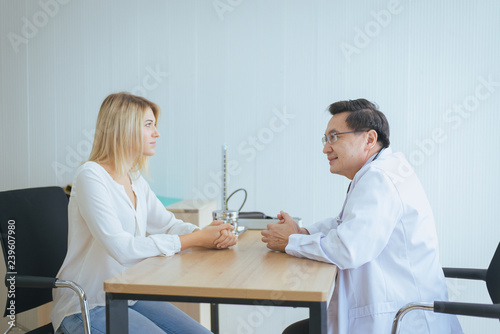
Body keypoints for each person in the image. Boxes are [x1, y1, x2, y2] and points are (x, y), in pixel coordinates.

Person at [261, 99, 463, 334]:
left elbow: (348, 249)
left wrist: (291, 241)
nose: (326, 148)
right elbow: (346, 224)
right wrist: (304, 233)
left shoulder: (379, 178)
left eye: (334, 137)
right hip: (401, 306)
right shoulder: (384, 169)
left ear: (369, 139)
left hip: (401, 319)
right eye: (326, 139)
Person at [51, 92, 237, 333]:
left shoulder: (134, 178)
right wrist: (196, 239)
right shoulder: (90, 176)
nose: (156, 133)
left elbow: (168, 225)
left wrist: (209, 235)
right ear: (123, 128)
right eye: (149, 125)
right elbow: (122, 249)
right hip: (86, 305)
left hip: (128, 295)